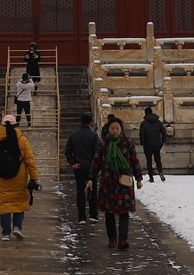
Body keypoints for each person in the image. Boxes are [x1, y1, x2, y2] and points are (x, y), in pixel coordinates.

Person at [0, 113, 39, 240]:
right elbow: (30, 161)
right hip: (19, 178)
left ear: (1, 126)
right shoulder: (22, 140)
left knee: (4, 205)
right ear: (16, 125)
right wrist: (34, 177)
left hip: (1, 179)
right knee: (19, 203)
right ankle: (17, 227)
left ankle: (6, 233)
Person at [91, 115, 142, 249]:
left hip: (123, 182)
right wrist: (91, 177)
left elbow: (134, 160)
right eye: (112, 128)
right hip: (108, 182)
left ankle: (123, 239)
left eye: (117, 128)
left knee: (124, 211)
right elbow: (97, 161)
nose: (115, 131)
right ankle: (112, 238)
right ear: (109, 130)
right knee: (109, 212)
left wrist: (139, 178)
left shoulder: (127, 142)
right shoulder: (104, 144)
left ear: (121, 129)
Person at [65, 112, 101, 222]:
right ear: (90, 123)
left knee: (80, 191)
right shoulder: (94, 135)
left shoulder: (73, 135)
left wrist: (72, 163)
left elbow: (67, 152)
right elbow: (98, 152)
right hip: (91, 167)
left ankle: (81, 216)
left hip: (79, 167)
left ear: (80, 122)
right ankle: (93, 214)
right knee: (93, 190)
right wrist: (97, 166)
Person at [138, 107, 169, 182]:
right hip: (157, 144)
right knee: (158, 159)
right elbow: (163, 132)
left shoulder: (143, 123)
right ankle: (161, 173)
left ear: (145, 113)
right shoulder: (158, 122)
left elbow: (142, 134)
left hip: (147, 144)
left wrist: (142, 142)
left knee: (149, 161)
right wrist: (163, 141)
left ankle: (151, 177)